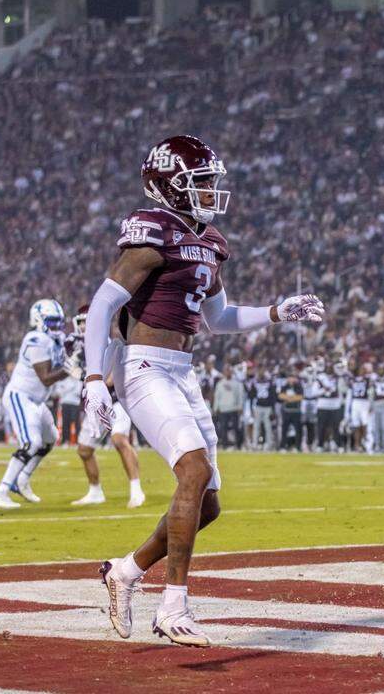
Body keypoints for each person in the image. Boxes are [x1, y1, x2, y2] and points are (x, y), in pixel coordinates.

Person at [82, 134, 324, 647]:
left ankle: (125, 571)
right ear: (168, 186)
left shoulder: (209, 239)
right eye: (201, 182)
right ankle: (174, 606)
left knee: (208, 503)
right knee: (192, 470)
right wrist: (93, 378)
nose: (211, 191)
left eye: (211, 181)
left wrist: (277, 312)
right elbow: (103, 304)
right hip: (143, 365)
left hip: (181, 370)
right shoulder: (152, 231)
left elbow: (219, 317)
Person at [0, 299, 71, 509]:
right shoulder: (35, 339)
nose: (56, 326)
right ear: (38, 320)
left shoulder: (57, 339)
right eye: (51, 321)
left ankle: (22, 479)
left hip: (37, 400)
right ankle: (0, 493)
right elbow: (46, 378)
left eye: (59, 322)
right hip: (21, 396)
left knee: (50, 438)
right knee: (30, 443)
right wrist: (69, 369)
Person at [70, 307, 145, 508]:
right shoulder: (82, 350)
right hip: (97, 404)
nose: (83, 327)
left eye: (87, 322)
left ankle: (136, 490)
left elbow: (110, 380)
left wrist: (84, 376)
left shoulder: (113, 346)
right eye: (81, 322)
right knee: (84, 450)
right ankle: (95, 492)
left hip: (116, 401)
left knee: (119, 440)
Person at [212, 365, 244, 448]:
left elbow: (240, 395)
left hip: (234, 408)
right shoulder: (220, 383)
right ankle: (224, 445)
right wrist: (215, 408)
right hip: (223, 409)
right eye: (226, 370)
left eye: (229, 370)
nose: (228, 372)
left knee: (236, 428)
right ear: (224, 372)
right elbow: (217, 396)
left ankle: (238, 445)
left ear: (231, 372)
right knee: (223, 428)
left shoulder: (237, 383)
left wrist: (240, 406)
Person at [346, 363, 373, 452]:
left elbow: (370, 393)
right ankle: (357, 445)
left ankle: (365, 442)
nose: (362, 371)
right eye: (361, 369)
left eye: (363, 369)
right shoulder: (352, 380)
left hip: (364, 402)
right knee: (356, 425)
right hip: (355, 402)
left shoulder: (367, 380)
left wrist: (370, 405)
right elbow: (350, 394)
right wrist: (348, 408)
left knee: (365, 423)